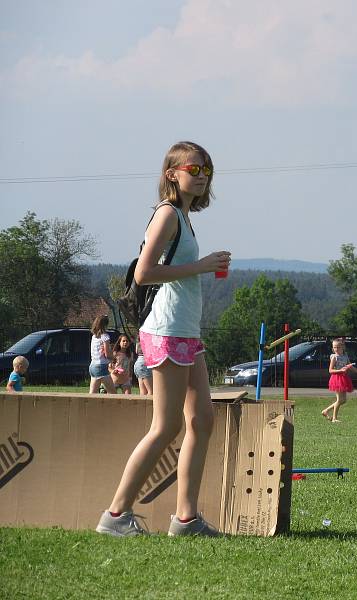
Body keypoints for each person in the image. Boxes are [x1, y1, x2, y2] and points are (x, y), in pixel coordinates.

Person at [96, 141, 231, 537]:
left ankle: (185, 519)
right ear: (172, 173)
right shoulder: (168, 215)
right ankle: (116, 515)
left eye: (207, 168)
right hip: (166, 330)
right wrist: (201, 266)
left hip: (186, 331)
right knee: (166, 426)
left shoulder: (186, 218)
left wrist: (200, 267)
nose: (203, 173)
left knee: (201, 419)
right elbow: (143, 274)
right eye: (195, 167)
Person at [321, 338, 357, 423]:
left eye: (338, 347)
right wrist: (340, 370)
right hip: (336, 379)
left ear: (343, 347)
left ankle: (326, 411)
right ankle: (334, 418)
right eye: (334, 347)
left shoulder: (345, 356)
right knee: (339, 400)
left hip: (344, 378)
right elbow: (330, 370)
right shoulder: (334, 357)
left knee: (343, 400)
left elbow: (350, 366)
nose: (336, 349)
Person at [88, 315, 116, 394]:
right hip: (101, 366)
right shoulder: (105, 336)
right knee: (113, 394)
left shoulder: (94, 336)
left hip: (92, 366)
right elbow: (107, 354)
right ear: (105, 325)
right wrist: (114, 358)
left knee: (92, 394)